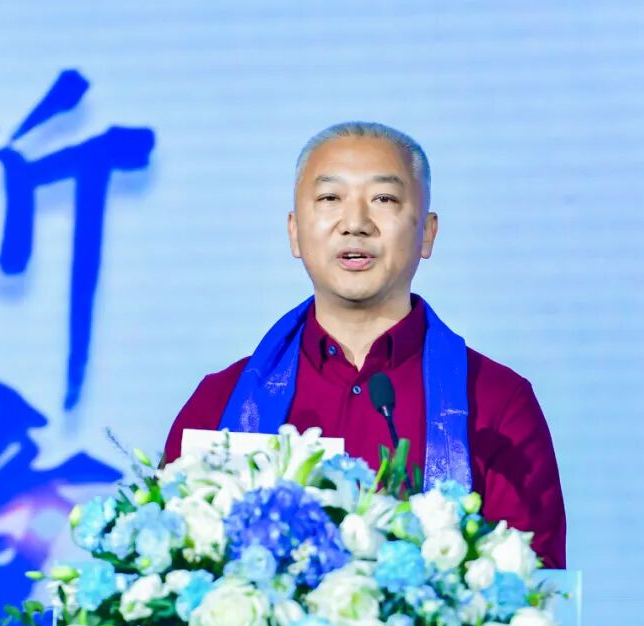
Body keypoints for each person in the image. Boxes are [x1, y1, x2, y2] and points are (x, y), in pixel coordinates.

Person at [162, 122, 565, 568]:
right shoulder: (218, 403)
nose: (355, 224)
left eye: (384, 199)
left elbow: (536, 588)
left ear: (427, 233)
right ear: (294, 232)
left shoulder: (496, 403)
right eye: (329, 198)